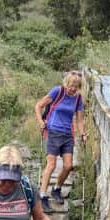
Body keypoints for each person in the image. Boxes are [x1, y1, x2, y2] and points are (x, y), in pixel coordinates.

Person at [35, 70, 86, 212]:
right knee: (51, 165)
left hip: (68, 135)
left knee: (68, 166)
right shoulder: (57, 92)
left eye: (76, 86)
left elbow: (80, 120)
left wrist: (83, 134)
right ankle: (43, 196)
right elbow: (38, 106)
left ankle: (56, 189)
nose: (73, 88)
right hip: (53, 132)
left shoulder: (78, 99)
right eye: (71, 85)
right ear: (67, 83)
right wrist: (40, 121)